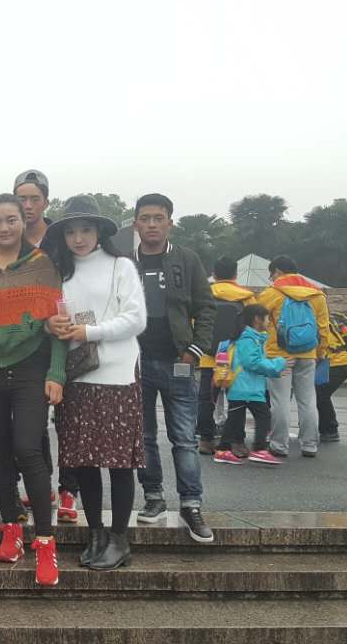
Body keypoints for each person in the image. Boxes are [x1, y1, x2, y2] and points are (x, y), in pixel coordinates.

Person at [0, 194, 66, 587]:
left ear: (24, 221)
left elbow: (58, 322)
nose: (5, 228)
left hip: (30, 369)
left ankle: (45, 540)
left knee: (28, 448)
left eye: (12, 220)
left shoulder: (43, 265)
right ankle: (11, 527)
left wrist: (56, 373)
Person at [43, 196, 146, 572]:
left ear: (100, 231)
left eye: (85, 230)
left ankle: (120, 537)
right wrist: (51, 325)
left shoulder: (121, 266)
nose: (78, 238)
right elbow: (50, 318)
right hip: (78, 375)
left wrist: (90, 332)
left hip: (117, 374)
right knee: (84, 461)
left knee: (119, 463)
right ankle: (96, 533)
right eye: (71, 231)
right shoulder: (60, 271)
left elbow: (136, 319)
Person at [130, 193, 215, 543]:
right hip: (136, 362)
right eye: (145, 218)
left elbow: (207, 307)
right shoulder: (125, 262)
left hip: (179, 360)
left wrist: (195, 350)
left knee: (184, 438)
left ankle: (191, 504)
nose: (152, 225)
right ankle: (153, 498)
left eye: (158, 218)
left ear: (170, 223)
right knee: (143, 437)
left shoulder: (186, 259)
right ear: (135, 223)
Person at [12, 169, 76, 521]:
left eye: (34, 198)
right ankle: (44, 484)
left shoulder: (61, 240)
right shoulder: (5, 237)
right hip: (24, 346)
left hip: (63, 335)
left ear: (46, 202)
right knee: (33, 423)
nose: (27, 205)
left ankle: (69, 489)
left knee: (67, 418)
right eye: (21, 198)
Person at [256, 256, 337, 459]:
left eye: (272, 274)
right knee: (308, 400)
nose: (271, 278)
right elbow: (323, 328)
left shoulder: (272, 293)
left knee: (280, 401)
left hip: (279, 356)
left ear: (278, 271)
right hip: (308, 354)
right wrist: (320, 352)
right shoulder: (316, 294)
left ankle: (279, 445)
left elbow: (257, 322)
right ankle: (310, 444)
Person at [197, 257, 257, 456]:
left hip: (209, 356)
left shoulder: (204, 294)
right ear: (235, 274)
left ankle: (205, 439)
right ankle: (237, 442)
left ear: (214, 274)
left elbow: (194, 322)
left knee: (207, 399)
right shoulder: (246, 297)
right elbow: (255, 327)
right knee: (237, 399)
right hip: (235, 359)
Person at [215, 305, 286, 466]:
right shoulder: (248, 339)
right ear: (257, 319)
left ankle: (223, 450)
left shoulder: (249, 337)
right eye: (267, 318)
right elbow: (252, 363)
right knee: (263, 416)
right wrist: (278, 364)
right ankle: (259, 449)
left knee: (234, 420)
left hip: (242, 387)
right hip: (247, 388)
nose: (269, 321)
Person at [316, 317, 347, 443]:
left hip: (339, 364)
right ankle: (324, 429)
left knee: (320, 394)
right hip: (339, 362)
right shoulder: (325, 321)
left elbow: (321, 346)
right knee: (318, 394)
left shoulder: (320, 323)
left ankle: (330, 430)